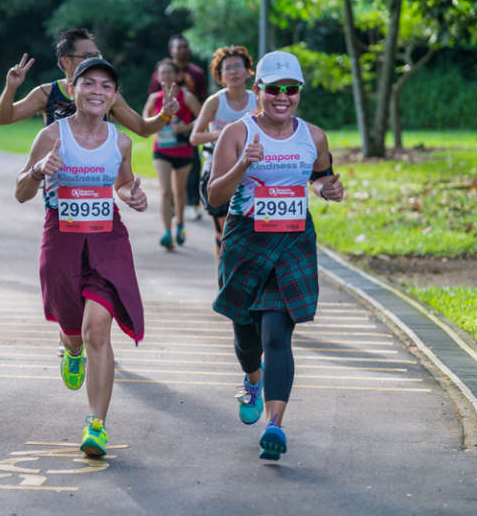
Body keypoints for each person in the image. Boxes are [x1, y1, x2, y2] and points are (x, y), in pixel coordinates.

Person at [206, 50, 344, 461]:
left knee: (277, 334)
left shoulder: (314, 136)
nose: (283, 97)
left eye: (291, 90)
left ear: (299, 92)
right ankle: (252, 378)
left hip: (292, 241)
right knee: (246, 335)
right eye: (274, 90)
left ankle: (275, 425)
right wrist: (241, 167)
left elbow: (320, 178)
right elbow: (214, 195)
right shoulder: (236, 133)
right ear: (258, 91)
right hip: (246, 241)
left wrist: (327, 191)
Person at [15, 57, 148, 457]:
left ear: (114, 96)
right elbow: (21, 192)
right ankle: (69, 350)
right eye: (89, 84)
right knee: (74, 330)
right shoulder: (51, 136)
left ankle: (97, 425)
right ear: (72, 89)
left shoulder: (120, 141)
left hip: (108, 242)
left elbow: (123, 185)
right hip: (62, 241)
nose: (97, 92)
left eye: (106, 87)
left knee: (97, 330)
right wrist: (39, 170)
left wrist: (133, 196)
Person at [0, 28, 179, 134]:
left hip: (95, 179)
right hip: (58, 184)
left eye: (96, 55)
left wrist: (164, 114)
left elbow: (143, 128)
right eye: (86, 56)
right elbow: (5, 118)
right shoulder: (46, 93)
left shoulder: (107, 96)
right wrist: (10, 87)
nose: (93, 60)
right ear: (64, 61)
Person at [189, 45, 256, 259]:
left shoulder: (258, 100)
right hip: (218, 170)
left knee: (251, 231)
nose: (234, 72)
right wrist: (223, 134)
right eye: (228, 68)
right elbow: (195, 137)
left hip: (253, 170)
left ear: (248, 71)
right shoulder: (215, 101)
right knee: (224, 230)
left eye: (238, 66)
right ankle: (224, 278)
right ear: (220, 75)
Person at [142, 58, 201, 250]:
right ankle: (167, 232)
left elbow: (203, 119)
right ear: (158, 77)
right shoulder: (154, 98)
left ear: (177, 75)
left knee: (179, 192)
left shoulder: (187, 96)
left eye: (169, 72)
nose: (166, 75)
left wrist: (186, 127)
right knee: (165, 191)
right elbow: (144, 121)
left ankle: (180, 225)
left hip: (183, 150)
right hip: (162, 150)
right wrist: (158, 121)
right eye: (162, 72)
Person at [149, 34, 208, 221]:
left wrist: (190, 125)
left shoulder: (196, 73)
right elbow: (152, 102)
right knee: (168, 182)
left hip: (188, 131)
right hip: (164, 134)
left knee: (193, 168)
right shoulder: (158, 74)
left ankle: (193, 203)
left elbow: (203, 102)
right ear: (171, 50)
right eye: (178, 47)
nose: (183, 50)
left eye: (185, 46)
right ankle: (173, 208)